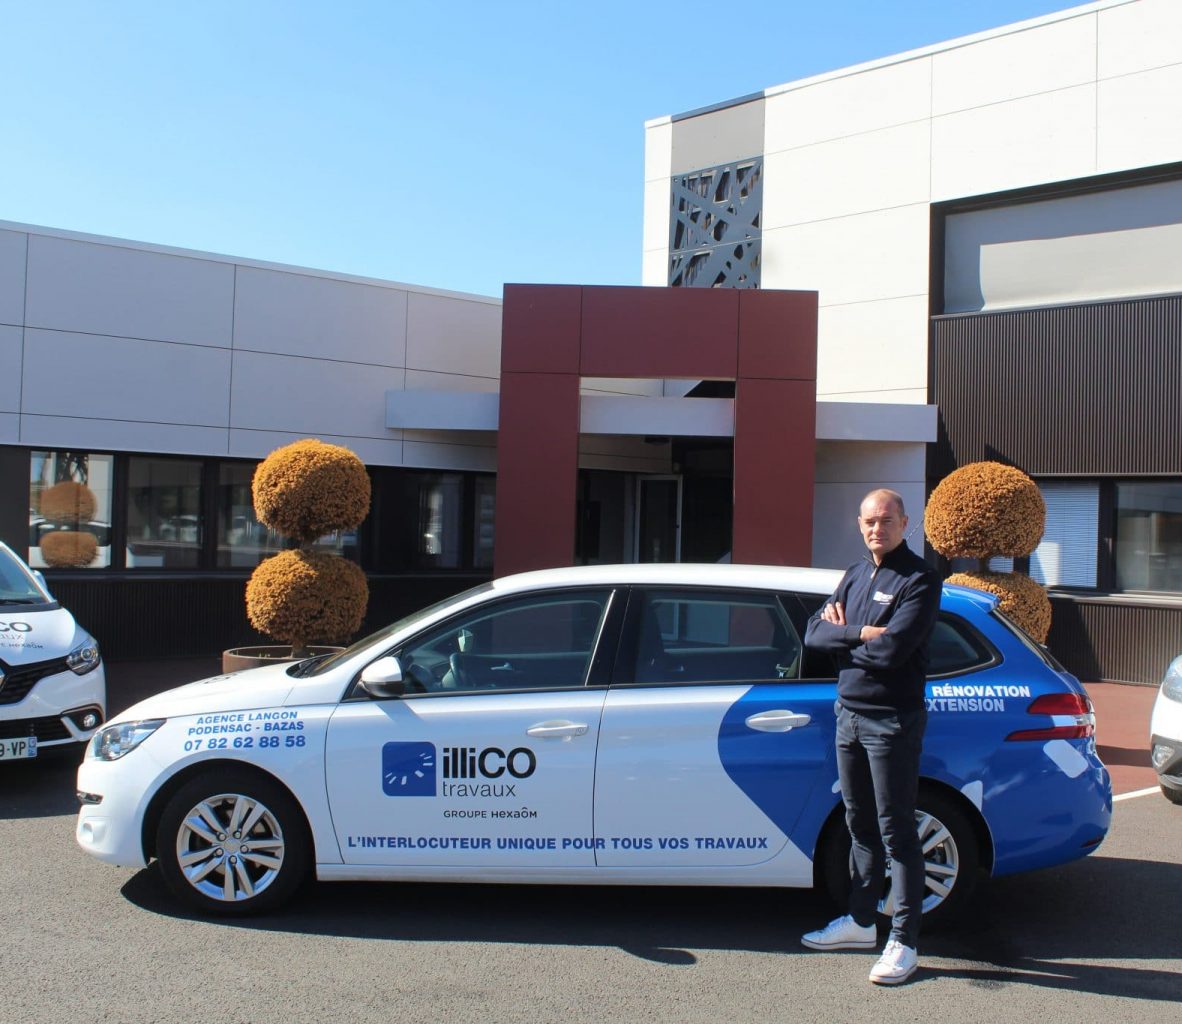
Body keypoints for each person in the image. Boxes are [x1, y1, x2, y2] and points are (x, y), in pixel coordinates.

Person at [800, 488, 941, 986]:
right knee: (859, 823)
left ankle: (904, 940)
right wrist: (861, 634)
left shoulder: (921, 578)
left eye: (885, 520)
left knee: (896, 831)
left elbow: (894, 653)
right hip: (849, 715)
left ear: (905, 522)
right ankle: (862, 922)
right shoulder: (856, 573)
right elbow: (813, 635)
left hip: (891, 721)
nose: (875, 529)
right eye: (868, 521)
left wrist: (846, 638)